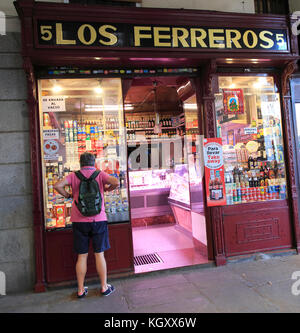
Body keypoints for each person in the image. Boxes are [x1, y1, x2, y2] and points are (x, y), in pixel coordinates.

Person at [54, 152, 119, 298]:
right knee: (99, 254)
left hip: (79, 221)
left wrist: (68, 195)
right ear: (93, 162)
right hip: (99, 220)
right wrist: (107, 190)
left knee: (81, 256)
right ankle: (103, 287)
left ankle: (81, 290)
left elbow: (57, 185)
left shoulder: (73, 176)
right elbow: (116, 182)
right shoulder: (100, 174)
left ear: (80, 162)